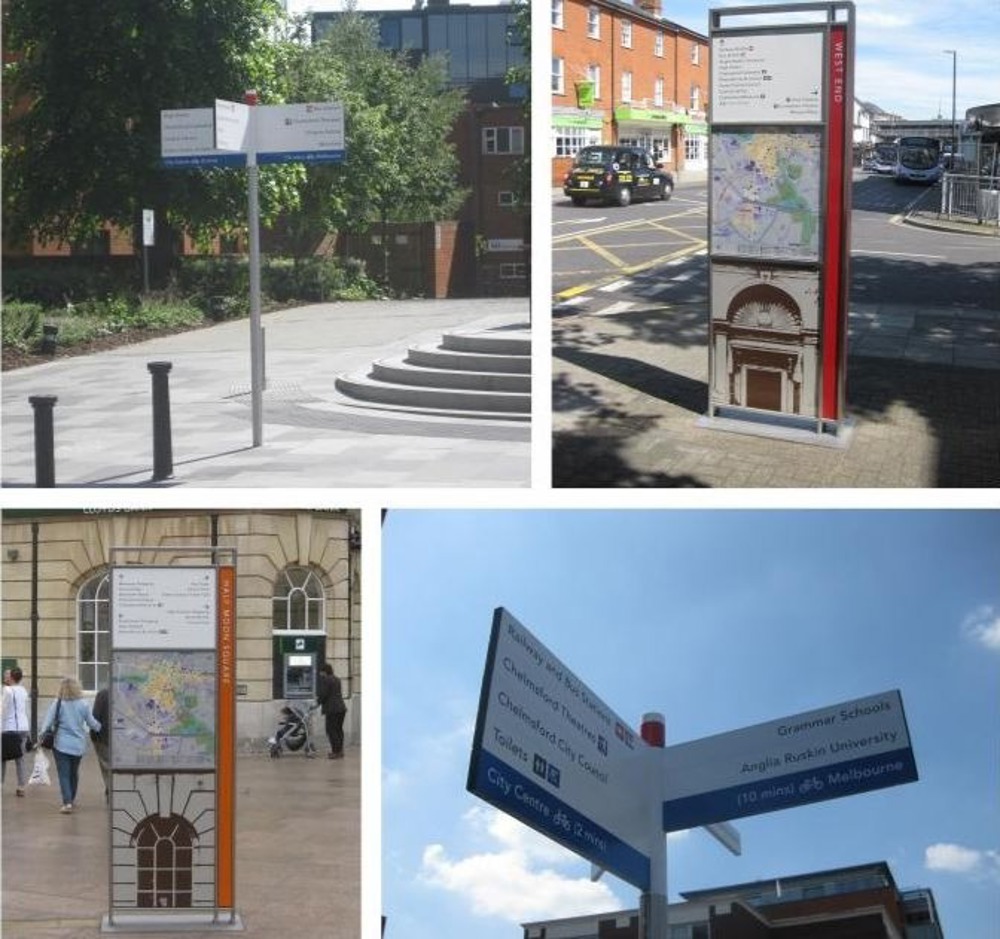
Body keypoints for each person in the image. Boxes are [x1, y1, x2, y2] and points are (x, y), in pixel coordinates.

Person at [39, 677, 101, 814]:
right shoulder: (83, 704)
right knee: (74, 773)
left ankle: (67, 803)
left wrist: (41, 735)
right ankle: (71, 798)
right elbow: (92, 723)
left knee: (64, 774)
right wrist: (101, 728)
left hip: (61, 744)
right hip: (78, 745)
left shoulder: (58, 703)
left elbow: (47, 722)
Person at [2, 667, 31, 796]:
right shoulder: (24, 690)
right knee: (20, 758)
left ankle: (1, 784)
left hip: (9, 727)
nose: (5, 677)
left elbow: (2, 710)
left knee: (2, 758)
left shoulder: (7, 690)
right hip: (23, 728)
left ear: (12, 677)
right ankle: (21, 787)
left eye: (7, 675)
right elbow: (26, 710)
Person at [315, 662, 346, 759]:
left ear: (324, 672)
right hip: (341, 708)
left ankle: (335, 752)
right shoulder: (337, 679)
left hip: (332, 709)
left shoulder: (326, 680)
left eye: (321, 672)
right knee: (339, 730)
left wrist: (317, 703)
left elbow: (324, 694)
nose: (320, 674)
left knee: (331, 730)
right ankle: (340, 751)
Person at [90, 686, 110, 802]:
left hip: (103, 737)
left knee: (106, 765)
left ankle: (110, 788)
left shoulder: (102, 694)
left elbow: (95, 716)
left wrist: (93, 735)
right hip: (122, 737)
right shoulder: (129, 693)